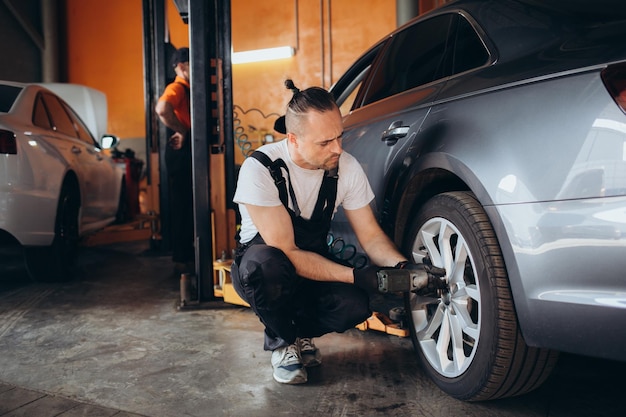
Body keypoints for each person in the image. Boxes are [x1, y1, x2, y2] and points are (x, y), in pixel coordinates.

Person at [231, 81, 422, 385]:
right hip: (265, 270)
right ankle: (283, 342)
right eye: (324, 142)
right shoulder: (262, 169)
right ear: (293, 139)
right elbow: (287, 252)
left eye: (339, 136)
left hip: (312, 267)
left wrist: (403, 268)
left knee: (356, 304)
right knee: (267, 266)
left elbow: (370, 235)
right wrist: (355, 275)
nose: (338, 148)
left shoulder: (345, 166)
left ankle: (301, 335)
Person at [155, 47, 195, 273]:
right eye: (192, 64)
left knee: (188, 203)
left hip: (187, 150)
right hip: (181, 151)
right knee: (182, 204)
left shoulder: (187, 88)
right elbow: (162, 109)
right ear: (181, 67)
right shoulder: (177, 87)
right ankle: (182, 258)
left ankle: (186, 255)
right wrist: (182, 131)